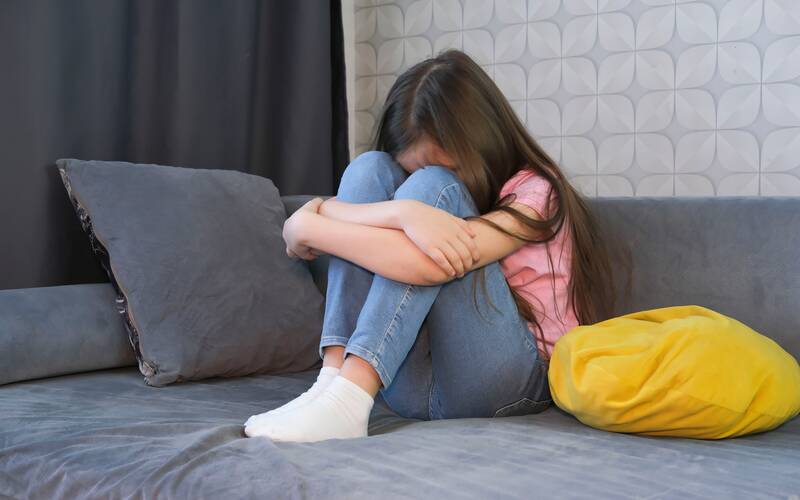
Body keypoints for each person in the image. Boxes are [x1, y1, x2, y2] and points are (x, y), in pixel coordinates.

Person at [244, 49, 614, 443]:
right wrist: (401, 212)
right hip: (411, 385)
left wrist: (310, 223)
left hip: (509, 382)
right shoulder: (408, 197)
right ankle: (332, 381)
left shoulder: (537, 192)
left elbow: (431, 263)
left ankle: (349, 396)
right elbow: (381, 222)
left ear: (484, 140)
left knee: (436, 189)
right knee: (368, 169)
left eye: (451, 166)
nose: (417, 187)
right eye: (410, 170)